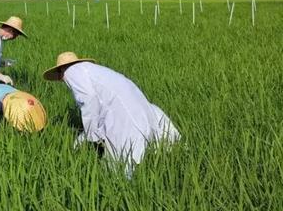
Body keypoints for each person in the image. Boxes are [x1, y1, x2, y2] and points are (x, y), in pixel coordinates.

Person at [43, 52, 180, 173]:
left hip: (122, 114)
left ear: (61, 71)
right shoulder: (92, 70)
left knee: (118, 166)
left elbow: (89, 99)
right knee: (142, 141)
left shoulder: (72, 72)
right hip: (140, 105)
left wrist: (91, 133)